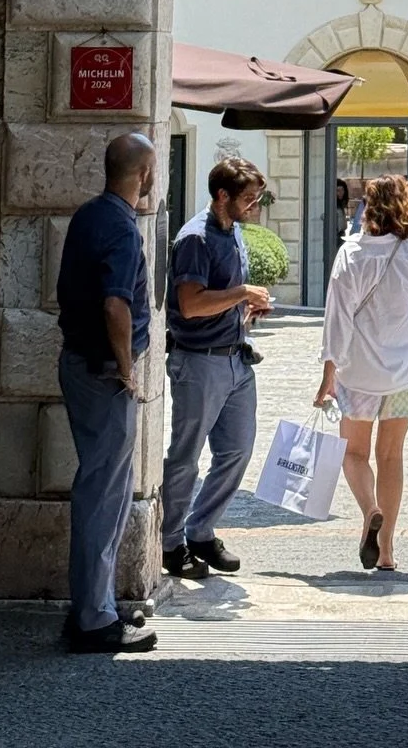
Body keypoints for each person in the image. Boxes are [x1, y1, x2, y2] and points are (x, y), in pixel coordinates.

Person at [313, 175, 408, 572]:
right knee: (391, 456)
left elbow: (336, 321)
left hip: (358, 374)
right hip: (406, 374)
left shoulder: (351, 255)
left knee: (354, 454)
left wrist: (329, 373)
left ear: (369, 209)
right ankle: (389, 551)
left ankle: (369, 510)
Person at [55, 132, 158, 653]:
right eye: (153, 169)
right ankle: (94, 618)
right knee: (104, 493)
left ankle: (95, 605)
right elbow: (115, 306)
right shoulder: (121, 228)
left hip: (77, 362)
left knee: (104, 488)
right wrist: (126, 369)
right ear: (143, 174)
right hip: (102, 372)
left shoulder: (86, 216)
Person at [160, 158, 273, 579]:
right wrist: (241, 291)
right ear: (222, 196)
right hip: (199, 363)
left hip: (236, 358)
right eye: (248, 198)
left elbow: (219, 298)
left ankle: (200, 529)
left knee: (237, 450)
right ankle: (169, 543)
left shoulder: (234, 231)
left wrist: (245, 308)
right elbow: (189, 305)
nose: (255, 206)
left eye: (257, 198)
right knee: (186, 456)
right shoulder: (195, 239)